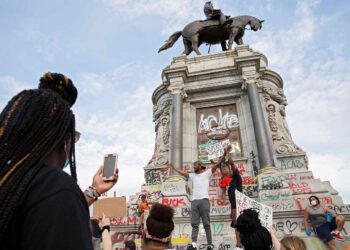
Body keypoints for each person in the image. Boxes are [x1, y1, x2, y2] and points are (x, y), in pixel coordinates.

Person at [0, 73, 117, 249]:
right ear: (63, 140)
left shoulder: (12, 183)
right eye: (73, 137)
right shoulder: (56, 187)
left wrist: (94, 191)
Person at [168, 145, 230, 250]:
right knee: (194, 224)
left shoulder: (207, 174)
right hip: (194, 202)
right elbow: (183, 173)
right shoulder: (192, 175)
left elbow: (217, 164)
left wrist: (224, 154)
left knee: (206, 223)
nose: (194, 166)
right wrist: (173, 167)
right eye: (193, 165)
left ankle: (210, 244)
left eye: (195, 165)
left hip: (204, 201)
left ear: (200, 166)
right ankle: (193, 244)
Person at [226, 152, 243, 249]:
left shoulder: (237, 177)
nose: (229, 171)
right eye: (228, 170)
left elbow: (232, 164)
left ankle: (239, 244)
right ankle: (239, 243)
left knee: (237, 223)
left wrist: (228, 156)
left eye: (230, 170)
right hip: (233, 203)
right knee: (236, 224)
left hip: (238, 201)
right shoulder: (229, 181)